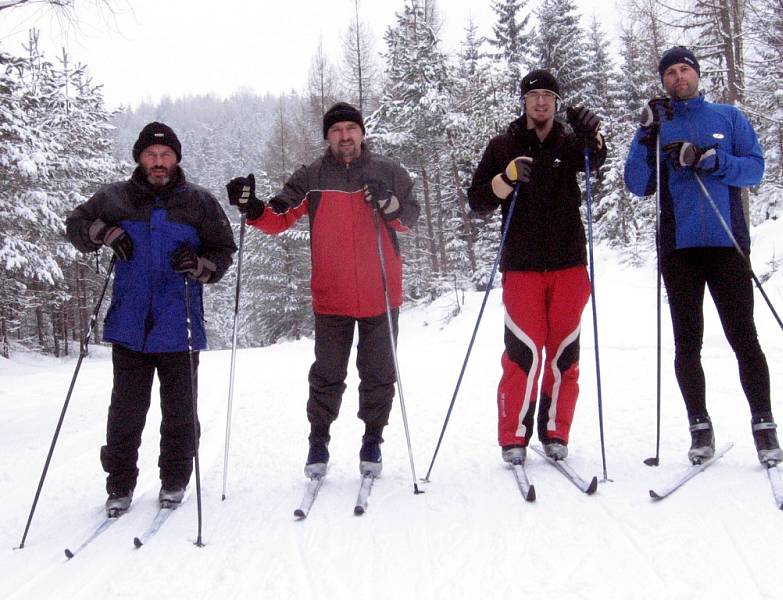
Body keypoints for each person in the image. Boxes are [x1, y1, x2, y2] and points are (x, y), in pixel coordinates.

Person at [226, 102, 419, 478]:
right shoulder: (312, 175)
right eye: (336, 130)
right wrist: (251, 208)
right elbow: (279, 217)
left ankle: (372, 440)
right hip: (332, 296)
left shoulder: (389, 171)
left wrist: (388, 202)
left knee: (379, 373)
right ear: (327, 137)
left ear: (361, 132)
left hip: (381, 293)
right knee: (328, 374)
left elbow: (409, 219)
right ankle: (319, 440)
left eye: (351, 128)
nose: (345, 136)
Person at [66, 122, 237, 515]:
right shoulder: (114, 198)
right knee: (125, 412)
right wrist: (104, 233)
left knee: (179, 411)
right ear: (139, 159)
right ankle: (119, 485)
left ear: (176, 159)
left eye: (165, 156)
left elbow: (224, 251)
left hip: (181, 325)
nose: (158, 162)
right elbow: (75, 226)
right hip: (130, 325)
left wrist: (199, 264)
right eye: (151, 155)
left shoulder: (199, 203)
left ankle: (174, 480)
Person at [624, 46, 783, 466]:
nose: (678, 78)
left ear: (696, 74)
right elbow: (637, 184)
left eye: (684, 70)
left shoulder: (728, 118)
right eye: (670, 73)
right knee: (687, 342)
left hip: (727, 243)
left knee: (743, 337)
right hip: (679, 249)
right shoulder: (658, 123)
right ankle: (699, 426)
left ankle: (764, 426)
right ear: (663, 82)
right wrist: (645, 135)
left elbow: (755, 170)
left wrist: (712, 159)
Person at [467, 69, 606, 464]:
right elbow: (477, 201)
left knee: (564, 354)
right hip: (522, 266)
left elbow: (596, 160)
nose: (541, 102)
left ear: (556, 103)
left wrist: (592, 134)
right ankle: (514, 435)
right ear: (524, 102)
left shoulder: (568, 140)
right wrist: (506, 179)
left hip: (569, 264)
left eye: (548, 96)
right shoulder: (503, 144)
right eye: (534, 96)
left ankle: (555, 430)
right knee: (522, 353)